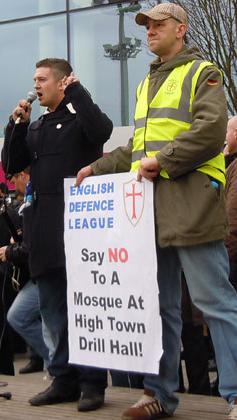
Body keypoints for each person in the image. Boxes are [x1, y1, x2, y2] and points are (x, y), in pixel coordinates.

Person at [76, 3, 237, 419]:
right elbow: (137, 150)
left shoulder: (203, 72)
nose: (149, 31)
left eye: (157, 24)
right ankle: (160, 395)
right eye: (146, 25)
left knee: (214, 302)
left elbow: (210, 131)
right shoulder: (147, 83)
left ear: (180, 30)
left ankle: (235, 395)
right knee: (159, 306)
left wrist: (162, 162)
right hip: (150, 213)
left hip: (192, 205)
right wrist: (97, 166)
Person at [2, 58, 113, 411]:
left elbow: (102, 131)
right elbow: (9, 164)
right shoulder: (37, 127)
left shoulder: (80, 118)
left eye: (42, 79)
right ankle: (63, 379)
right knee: (53, 312)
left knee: (83, 310)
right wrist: (15, 126)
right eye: (34, 79)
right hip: (44, 234)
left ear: (62, 82)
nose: (36, 85)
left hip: (80, 231)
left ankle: (93, 384)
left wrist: (78, 92)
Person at [0, 170, 49, 373]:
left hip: (46, 271)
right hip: (37, 272)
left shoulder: (37, 201)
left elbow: (36, 243)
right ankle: (53, 362)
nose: (13, 186)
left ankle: (58, 364)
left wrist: (12, 250)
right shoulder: (26, 203)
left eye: (13, 181)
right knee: (25, 317)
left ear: (23, 175)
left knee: (46, 322)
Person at [224, 116, 237, 290]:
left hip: (231, 258)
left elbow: (232, 216)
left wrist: (224, 257)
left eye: (227, 131)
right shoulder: (231, 164)